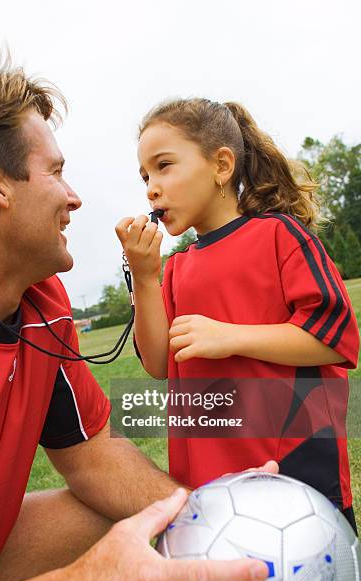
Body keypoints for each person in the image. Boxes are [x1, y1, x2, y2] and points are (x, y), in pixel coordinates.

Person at [0, 48, 275, 581]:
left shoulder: (42, 303)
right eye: (55, 172)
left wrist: (221, 521)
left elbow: (92, 455)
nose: (74, 196)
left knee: (126, 515)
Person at [116, 98, 360, 533]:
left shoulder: (279, 235)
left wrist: (231, 336)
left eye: (164, 166)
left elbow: (334, 337)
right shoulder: (176, 268)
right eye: (145, 175)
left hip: (295, 470)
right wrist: (144, 276)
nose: (151, 187)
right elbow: (157, 364)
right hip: (212, 482)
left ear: (222, 165)